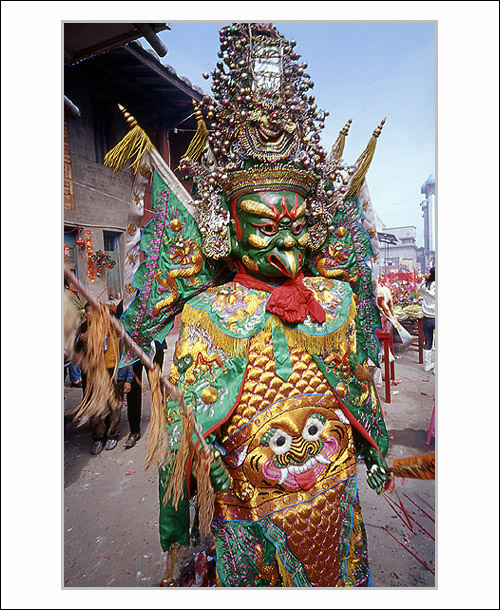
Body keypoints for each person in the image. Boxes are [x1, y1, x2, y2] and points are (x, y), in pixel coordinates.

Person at [113, 22, 390, 587]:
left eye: (295, 228)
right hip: (251, 516)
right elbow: (188, 425)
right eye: (264, 228)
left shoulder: (333, 300)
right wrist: (195, 465)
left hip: (333, 504)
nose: (286, 247)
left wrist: (374, 441)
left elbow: (355, 380)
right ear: (227, 227)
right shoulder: (210, 316)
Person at [76, 303, 133, 455]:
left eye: (87, 311)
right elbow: (75, 352)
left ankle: (112, 434)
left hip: (115, 373)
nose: (85, 313)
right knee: (96, 406)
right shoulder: (85, 328)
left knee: (115, 405)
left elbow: (127, 355)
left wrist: (127, 379)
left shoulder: (117, 329)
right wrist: (83, 341)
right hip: (95, 373)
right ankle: (98, 436)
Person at [123, 340, 165, 449]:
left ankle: (161, 421)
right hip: (133, 345)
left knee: (156, 386)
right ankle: (134, 430)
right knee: (133, 388)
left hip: (154, 345)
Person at [418, 266, 436, 372]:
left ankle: (427, 365)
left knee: (428, 342)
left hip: (427, 317)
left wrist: (424, 280)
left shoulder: (425, 285)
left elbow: (419, 289)